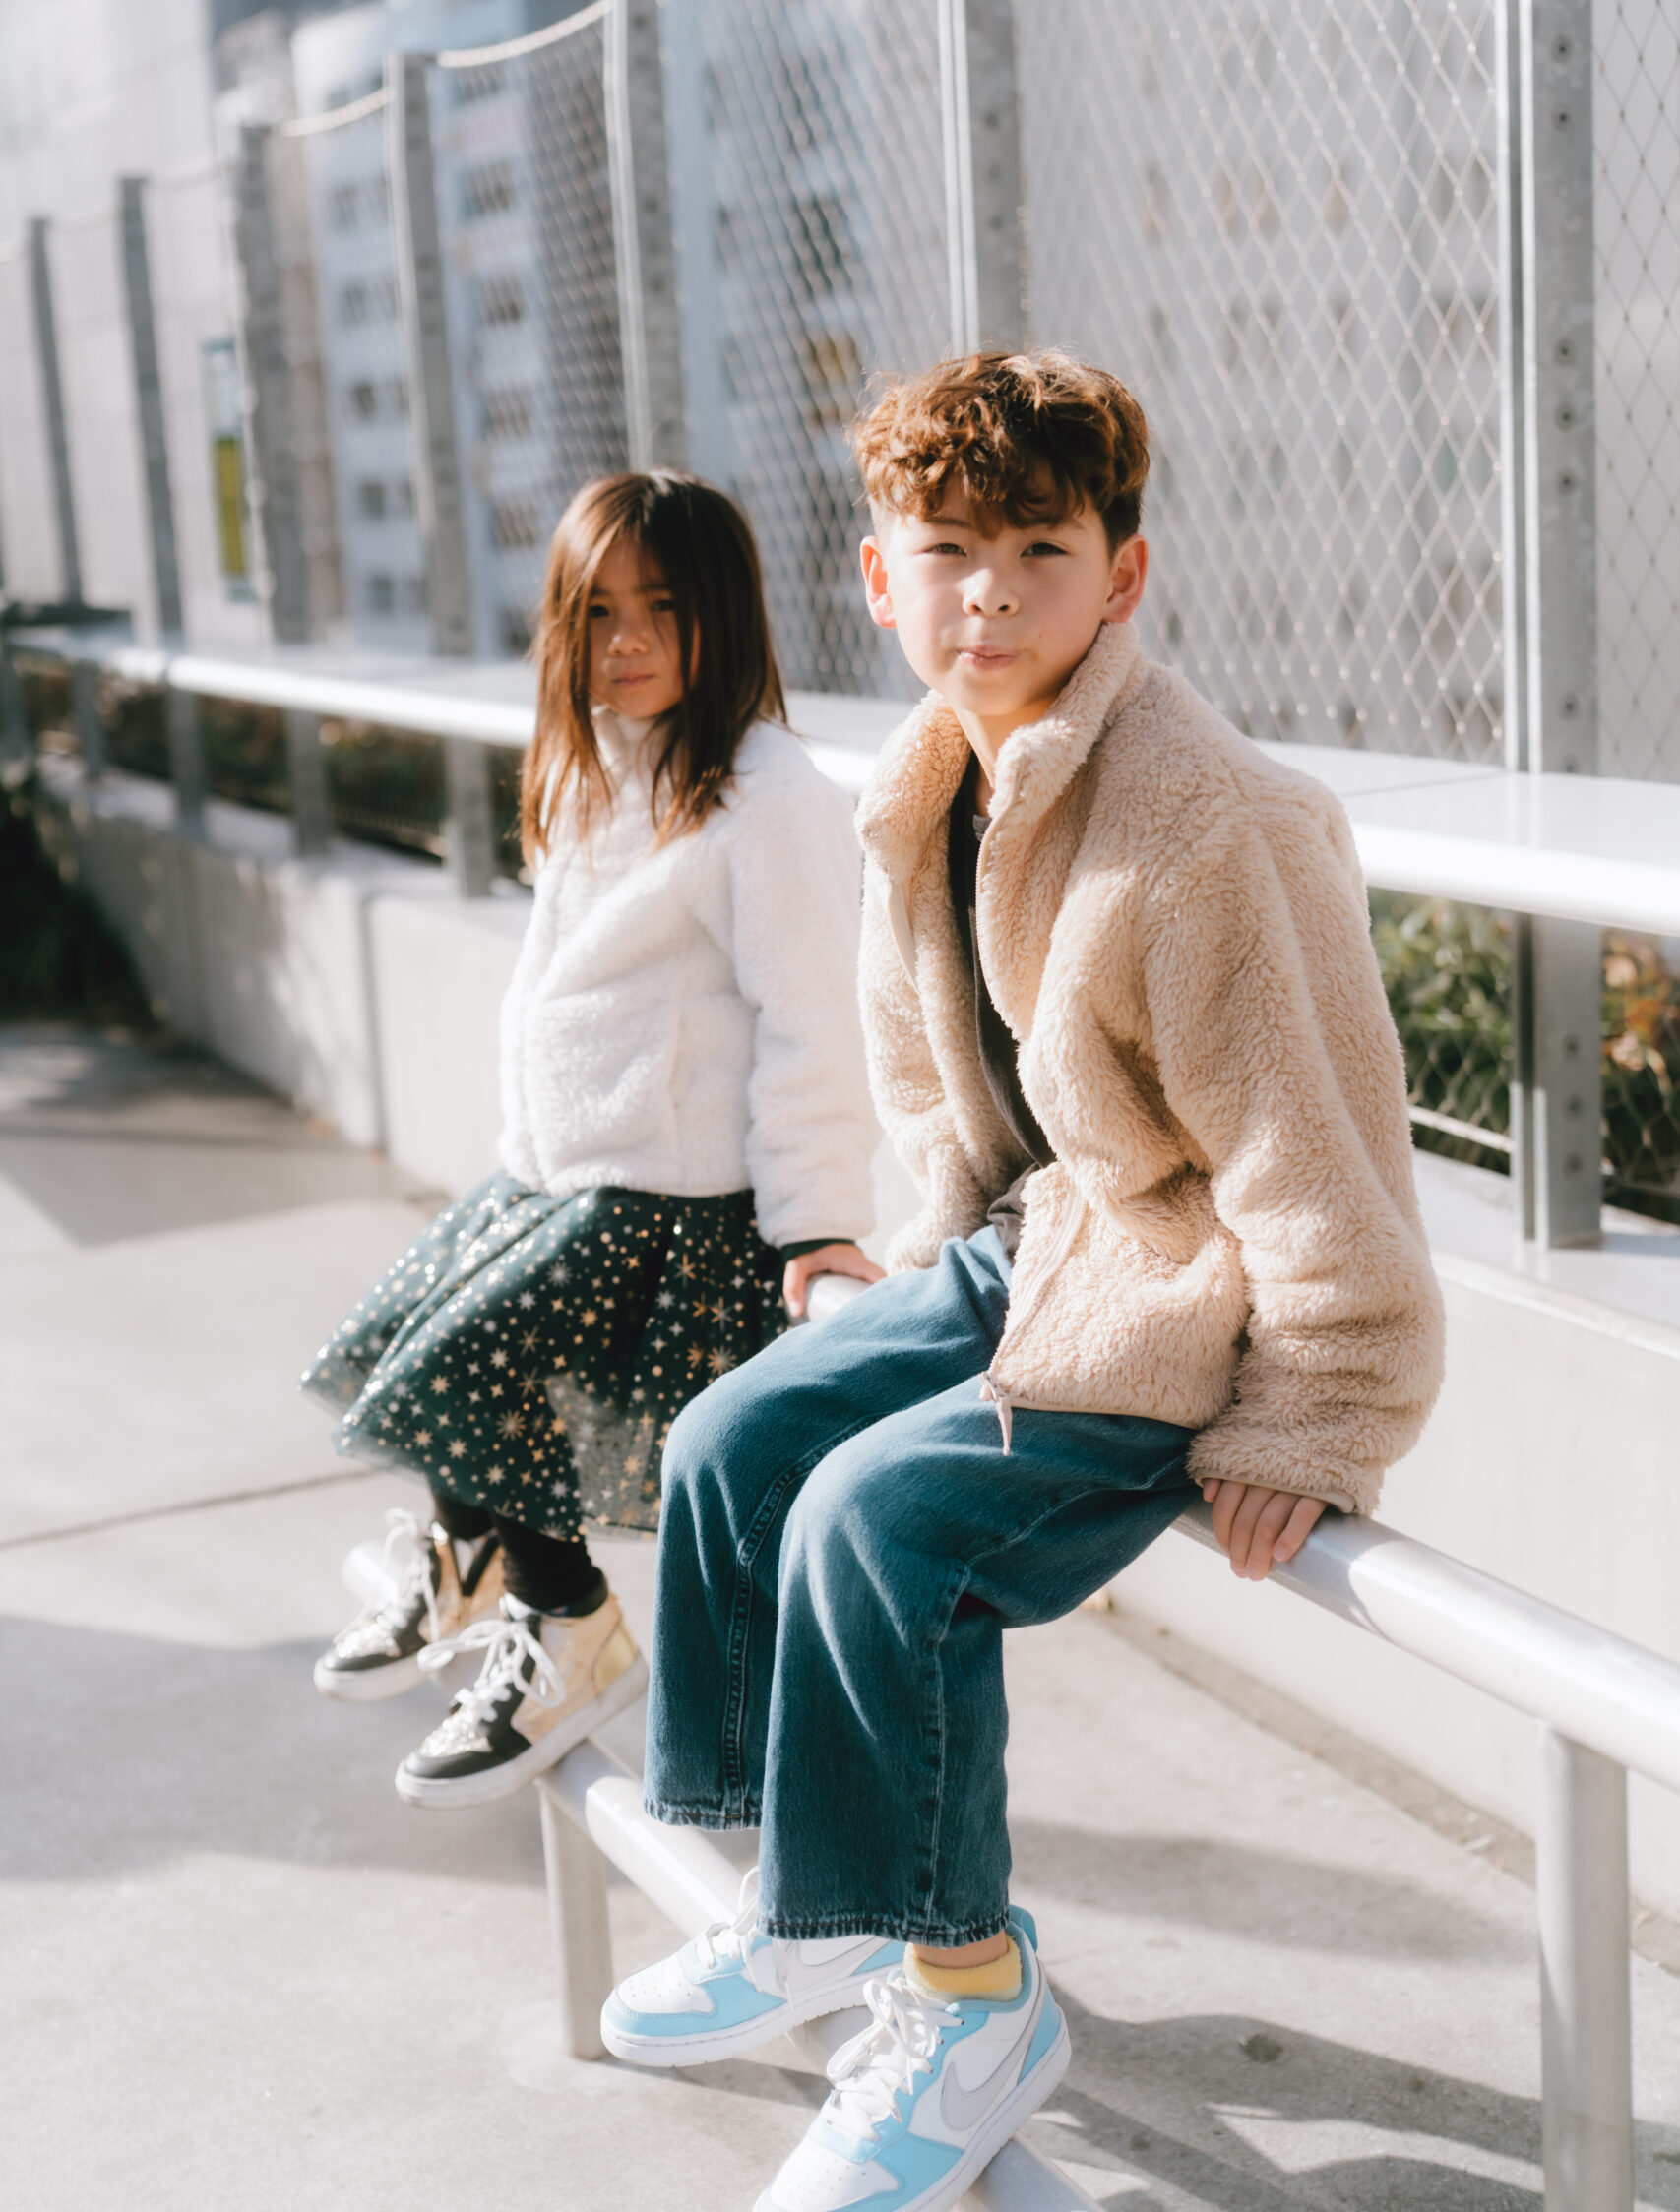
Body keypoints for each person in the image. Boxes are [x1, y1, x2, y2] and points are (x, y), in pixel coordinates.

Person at [599, 353, 1445, 2212]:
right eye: (948, 552)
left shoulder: (1209, 821)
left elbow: (1317, 1145)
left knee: (878, 1525)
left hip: (1177, 1290)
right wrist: (924, 1256)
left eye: (1040, 552)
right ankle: (808, 1903)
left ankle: (974, 2004)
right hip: (1021, 1247)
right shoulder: (928, 780)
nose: (988, 595)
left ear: (1121, 575)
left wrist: (1321, 1411)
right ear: (878, 578)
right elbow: (941, 1077)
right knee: (735, 1444)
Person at [302, 471, 879, 1810]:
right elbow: (550, 998)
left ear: (723, 613)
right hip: (568, 1179)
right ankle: (469, 1564)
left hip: (678, 1204)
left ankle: (568, 1623)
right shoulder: (594, 767)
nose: (626, 642)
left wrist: (815, 1219)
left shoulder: (767, 795)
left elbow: (815, 1019)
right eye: (597, 611)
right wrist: (521, 1164)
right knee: (408, 1331)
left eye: (661, 608)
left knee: (461, 1363)